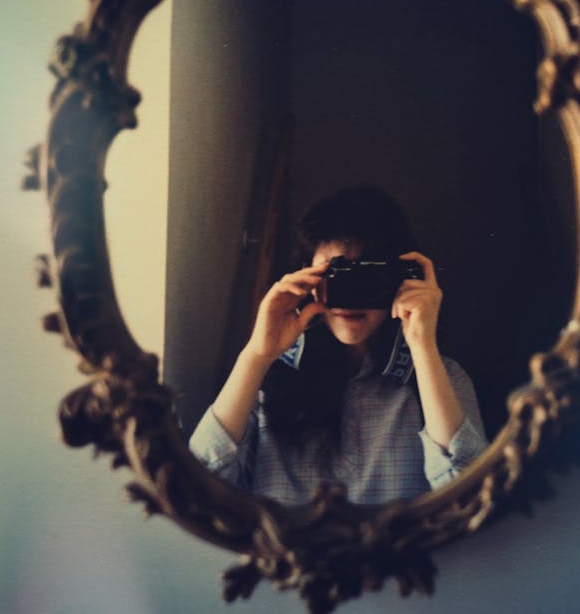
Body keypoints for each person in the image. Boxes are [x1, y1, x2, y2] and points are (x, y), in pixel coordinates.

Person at [189, 186, 487, 504]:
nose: (350, 292)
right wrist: (257, 356)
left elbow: (472, 498)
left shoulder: (442, 377)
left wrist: (423, 346)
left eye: (367, 275)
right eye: (337, 274)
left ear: (399, 279)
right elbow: (198, 491)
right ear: (307, 279)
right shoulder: (264, 382)